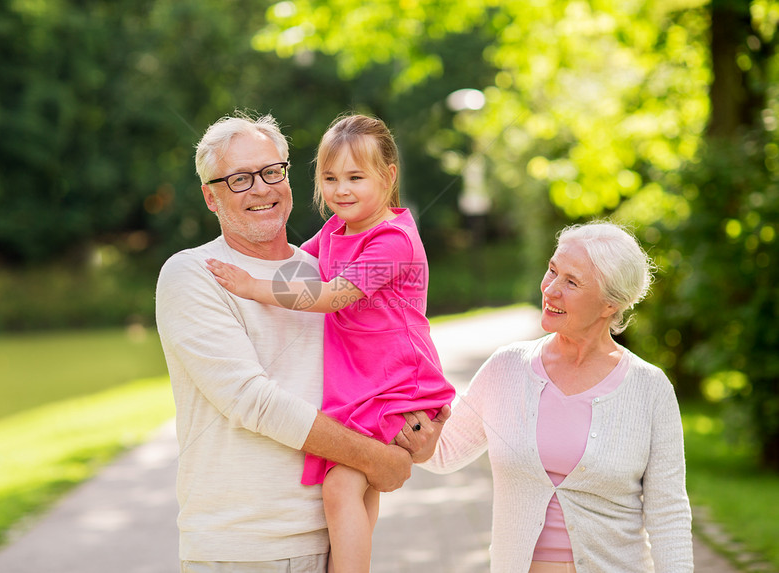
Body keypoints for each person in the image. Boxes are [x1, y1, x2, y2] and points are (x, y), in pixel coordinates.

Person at [155, 111, 446, 573]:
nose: (262, 187)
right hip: (242, 548)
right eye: (239, 179)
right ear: (210, 196)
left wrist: (414, 438)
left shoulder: (326, 276)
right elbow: (254, 401)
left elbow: (366, 361)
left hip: (325, 541)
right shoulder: (196, 274)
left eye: (272, 171)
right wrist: (378, 458)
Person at [415, 221, 694, 572]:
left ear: (610, 304)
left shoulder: (650, 389)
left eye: (571, 282)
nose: (551, 289)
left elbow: (668, 513)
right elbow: (441, 451)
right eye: (552, 270)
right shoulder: (507, 368)